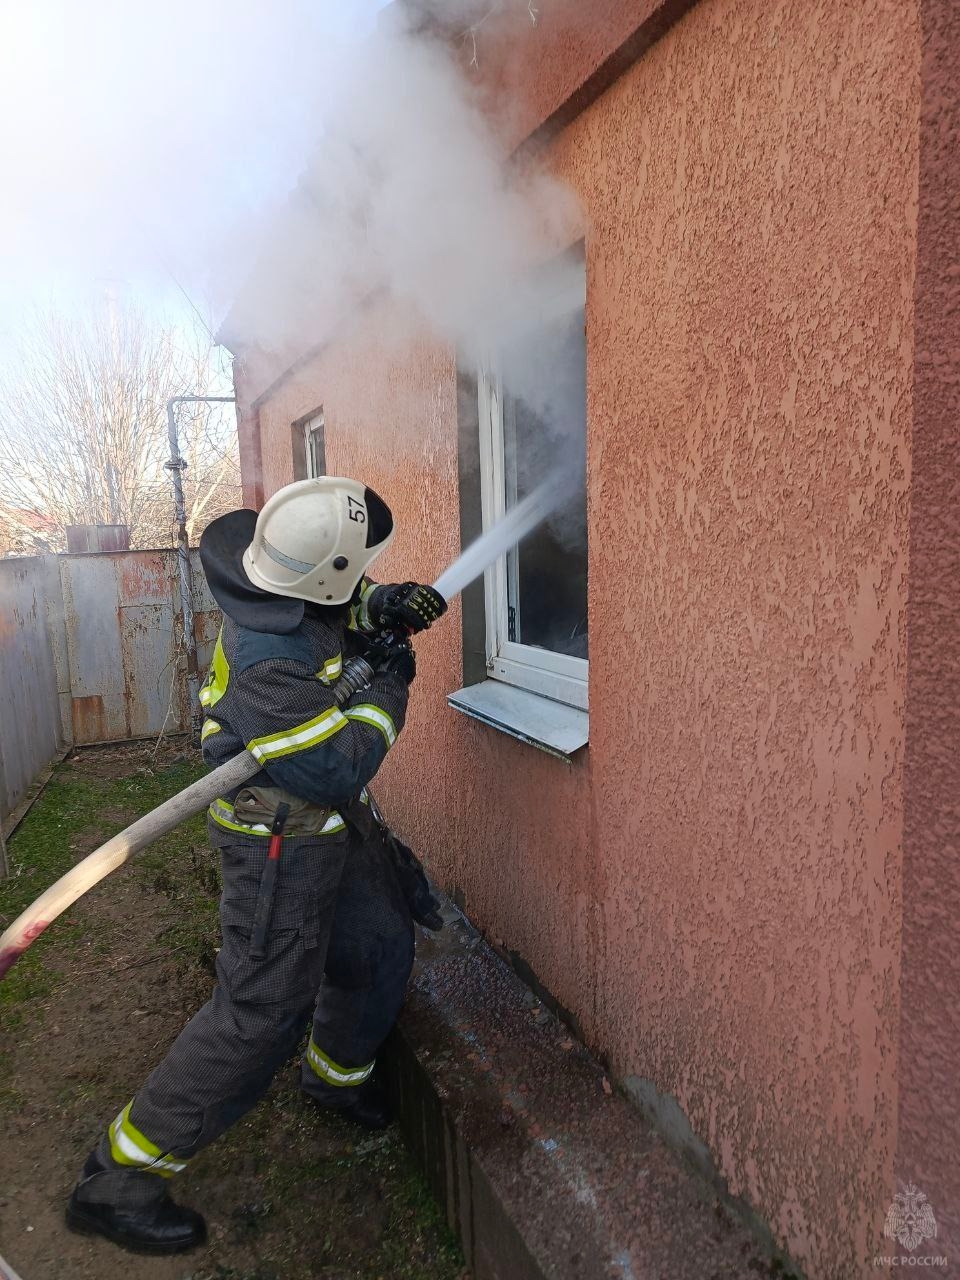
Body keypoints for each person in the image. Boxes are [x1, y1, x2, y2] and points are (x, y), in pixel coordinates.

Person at [65, 478, 447, 1255]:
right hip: (278, 838)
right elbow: (339, 765)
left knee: (376, 942)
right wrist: (391, 686)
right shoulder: (265, 661)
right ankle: (118, 1177)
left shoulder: (279, 574)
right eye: (361, 571)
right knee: (261, 1009)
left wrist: (384, 606)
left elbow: (337, 602)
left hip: (325, 828)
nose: (361, 580)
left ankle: (333, 1079)